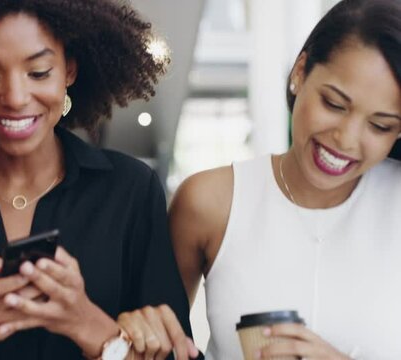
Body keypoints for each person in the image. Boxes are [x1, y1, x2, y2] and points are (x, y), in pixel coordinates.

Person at [0, 0, 196, 359]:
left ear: (69, 70)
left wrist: (85, 322)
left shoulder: (129, 190)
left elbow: (179, 353)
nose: (15, 97)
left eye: (39, 72)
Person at [119, 0, 401, 358]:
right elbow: (156, 349)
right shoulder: (210, 202)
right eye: (334, 104)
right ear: (300, 72)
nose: (346, 139)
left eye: (380, 125)